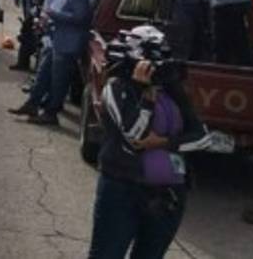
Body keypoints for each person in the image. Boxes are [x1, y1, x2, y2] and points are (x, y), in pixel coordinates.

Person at [90, 33, 211, 258]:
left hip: (167, 193)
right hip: (122, 188)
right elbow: (134, 135)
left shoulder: (173, 90)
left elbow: (202, 138)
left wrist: (165, 142)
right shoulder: (116, 88)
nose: (155, 69)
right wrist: (144, 97)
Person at [12, 0, 95, 125]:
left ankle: (51, 113)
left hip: (68, 43)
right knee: (43, 72)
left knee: (59, 81)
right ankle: (32, 104)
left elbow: (80, 18)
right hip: (59, 40)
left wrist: (54, 14)